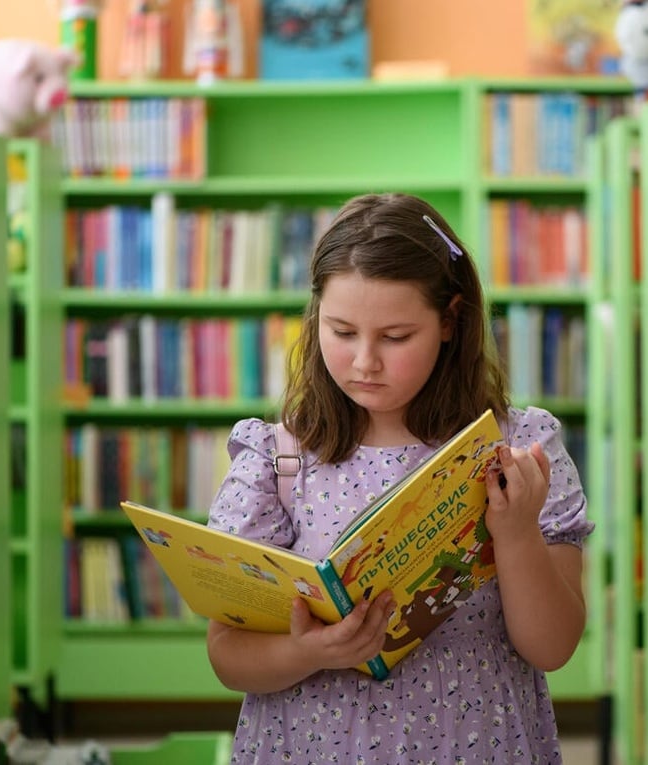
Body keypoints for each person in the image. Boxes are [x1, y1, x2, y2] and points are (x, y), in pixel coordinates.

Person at [204, 192, 592, 763]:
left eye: (395, 337)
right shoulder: (276, 458)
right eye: (341, 331)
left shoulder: (519, 447)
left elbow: (552, 647)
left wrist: (515, 534)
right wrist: (314, 651)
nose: (365, 361)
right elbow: (226, 655)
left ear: (450, 321)